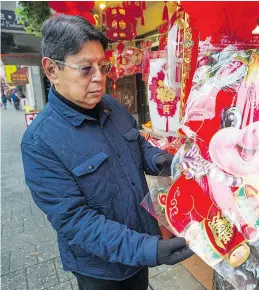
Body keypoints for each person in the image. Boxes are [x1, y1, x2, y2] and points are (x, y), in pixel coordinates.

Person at [21, 14, 193, 290]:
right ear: (52, 70)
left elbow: (137, 145)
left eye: (104, 67)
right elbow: (76, 222)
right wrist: (150, 249)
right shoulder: (40, 143)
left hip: (139, 248)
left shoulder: (113, 106)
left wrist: (162, 161)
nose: (99, 79)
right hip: (100, 268)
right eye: (86, 69)